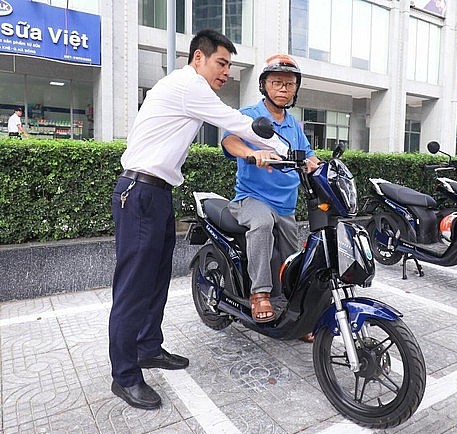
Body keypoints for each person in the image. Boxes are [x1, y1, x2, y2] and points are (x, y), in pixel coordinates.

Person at [109, 30, 289, 411]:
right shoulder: (189, 86)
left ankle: (148, 347)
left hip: (157, 192)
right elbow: (236, 123)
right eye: (221, 63)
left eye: (229, 65)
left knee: (156, 279)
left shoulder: (188, 88)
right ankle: (124, 376)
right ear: (198, 59)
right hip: (138, 192)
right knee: (132, 287)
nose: (226, 72)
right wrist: (285, 149)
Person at [221, 54, 320, 341]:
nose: (283, 89)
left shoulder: (294, 126)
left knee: (295, 256)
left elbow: (308, 154)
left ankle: (296, 315)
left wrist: (316, 164)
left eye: (289, 84)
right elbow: (230, 140)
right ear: (264, 85)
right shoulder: (251, 115)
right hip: (251, 198)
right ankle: (259, 294)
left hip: (286, 205)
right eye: (276, 82)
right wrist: (252, 153)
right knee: (262, 224)